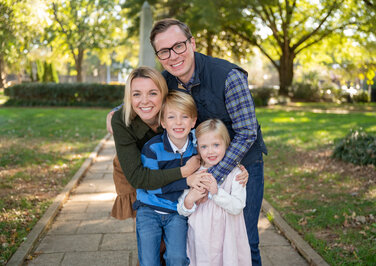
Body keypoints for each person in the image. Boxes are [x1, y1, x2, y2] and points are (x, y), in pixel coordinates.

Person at [107, 18, 267, 265]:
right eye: (164, 51)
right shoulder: (168, 79)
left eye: (179, 46)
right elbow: (142, 97)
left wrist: (210, 175)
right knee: (199, 240)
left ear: (192, 43)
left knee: (243, 240)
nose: (173, 56)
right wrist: (114, 114)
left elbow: (247, 132)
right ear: (159, 56)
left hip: (240, 167)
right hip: (198, 169)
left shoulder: (228, 76)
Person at [134, 90, 200, 265]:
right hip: (149, 208)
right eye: (171, 117)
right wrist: (186, 181)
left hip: (177, 211)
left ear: (193, 121)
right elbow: (151, 185)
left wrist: (238, 167)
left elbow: (216, 155)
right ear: (163, 122)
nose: (178, 122)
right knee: (149, 261)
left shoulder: (197, 147)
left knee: (177, 258)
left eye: (184, 116)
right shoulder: (153, 149)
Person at [178, 119, 251, 266]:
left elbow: (237, 206)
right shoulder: (194, 173)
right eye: (204, 146)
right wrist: (189, 199)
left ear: (226, 144)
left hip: (227, 236)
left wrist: (216, 193)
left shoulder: (236, 174)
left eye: (216, 145)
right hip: (201, 236)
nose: (210, 151)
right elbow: (182, 210)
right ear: (197, 148)